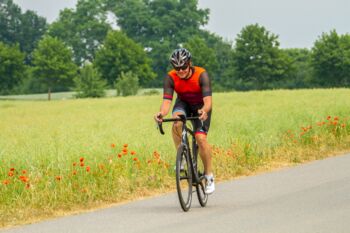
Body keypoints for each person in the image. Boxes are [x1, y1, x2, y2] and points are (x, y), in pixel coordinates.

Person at [154, 48, 215, 194]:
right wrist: (161, 114)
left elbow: (208, 101)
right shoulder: (170, 77)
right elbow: (167, 102)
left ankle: (209, 176)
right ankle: (181, 157)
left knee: (200, 138)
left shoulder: (201, 74)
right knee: (176, 122)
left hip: (201, 106)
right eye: (177, 68)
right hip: (183, 104)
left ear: (190, 63)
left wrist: (204, 111)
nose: (180, 70)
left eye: (183, 67)